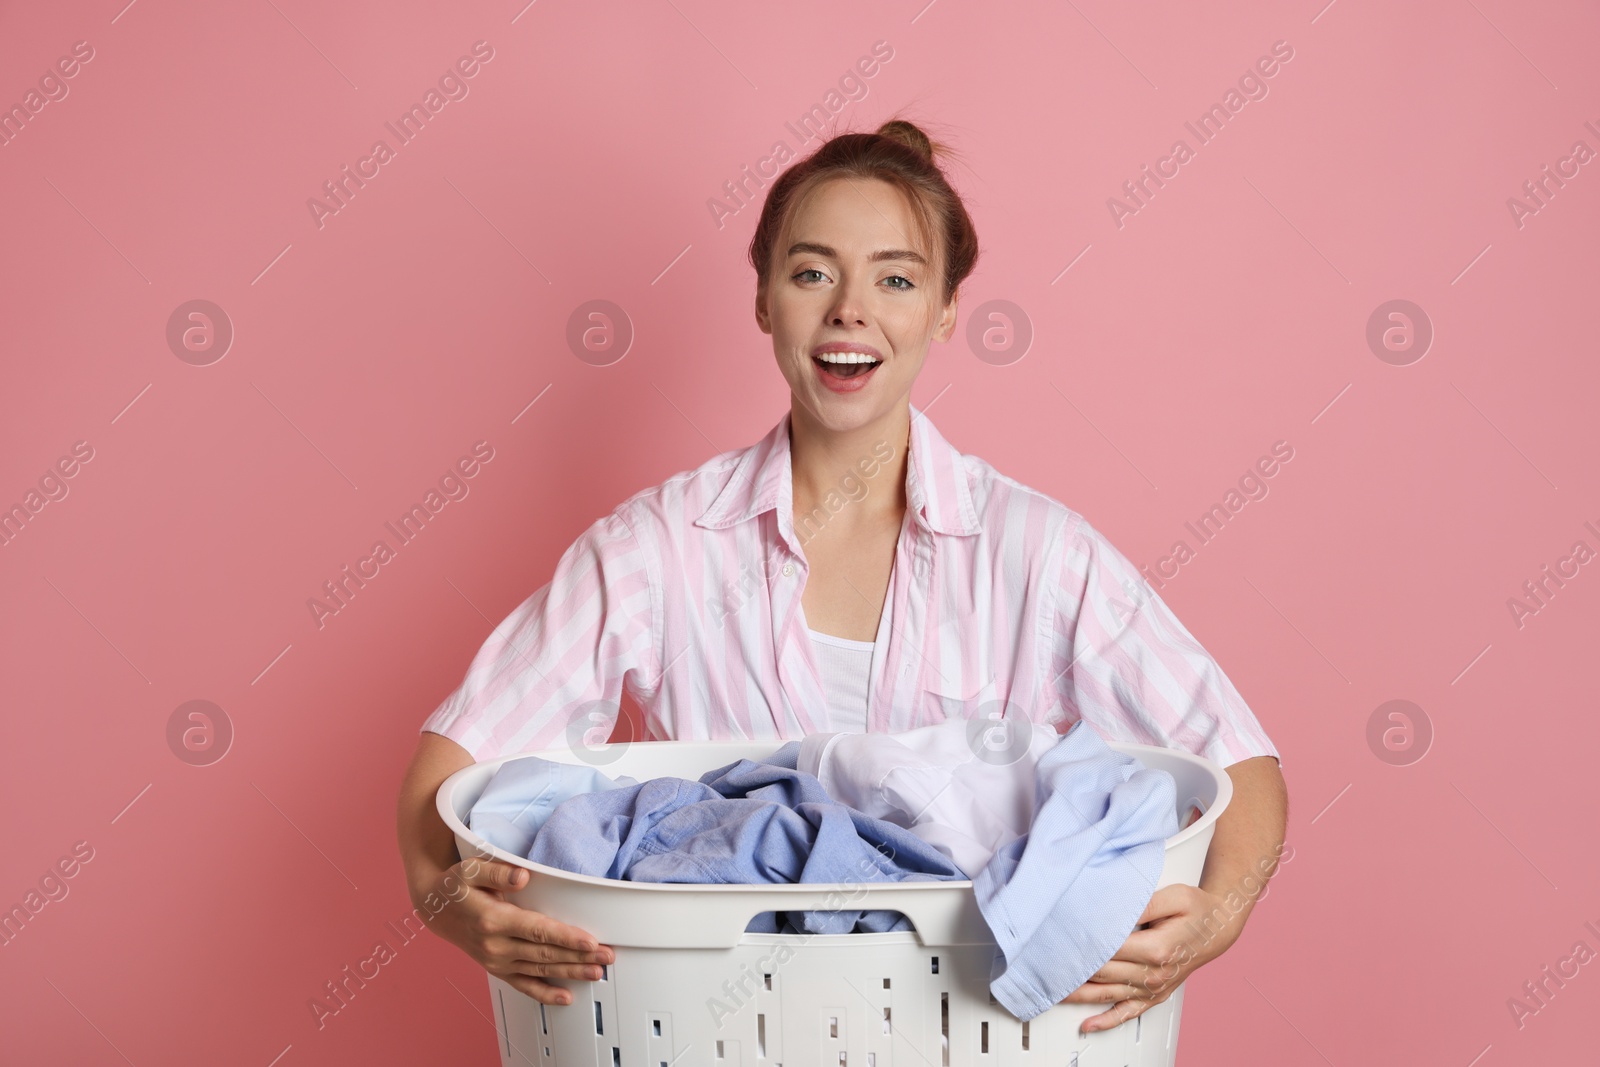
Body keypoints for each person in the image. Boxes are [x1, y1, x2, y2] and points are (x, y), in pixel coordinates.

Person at [395, 117, 1289, 1036]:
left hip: (971, 1038)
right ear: (764, 299)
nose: (849, 310)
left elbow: (1242, 767)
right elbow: (450, 773)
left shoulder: (1038, 553)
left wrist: (1215, 918)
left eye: (896, 279)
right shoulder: (655, 549)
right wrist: (449, 903)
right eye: (812, 272)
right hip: (712, 1037)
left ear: (944, 310)